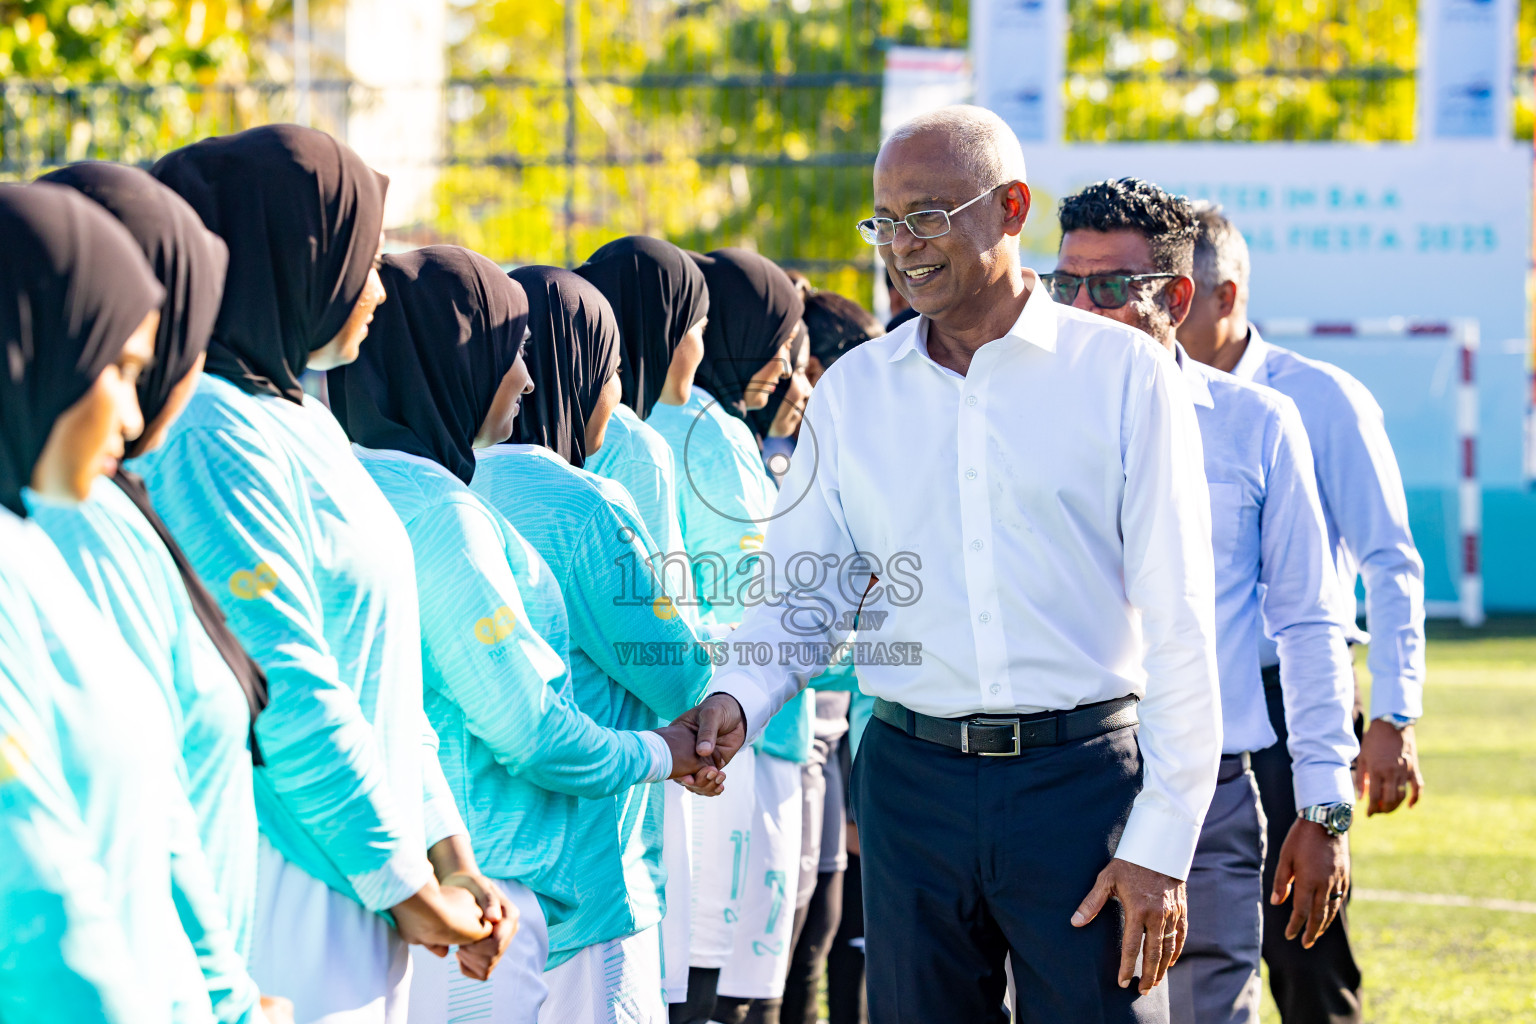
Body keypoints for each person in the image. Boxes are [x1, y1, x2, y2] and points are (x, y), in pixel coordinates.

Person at [674, 105, 1224, 1024]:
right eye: (883, 220)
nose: (902, 244)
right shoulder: (855, 394)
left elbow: (1181, 624)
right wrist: (732, 698)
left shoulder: (1124, 375)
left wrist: (1161, 842)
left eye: (927, 214)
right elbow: (799, 602)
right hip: (909, 790)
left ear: (1011, 209)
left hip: (1083, 792)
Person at [138, 125, 504, 1023]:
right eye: (362, 258)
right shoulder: (213, 434)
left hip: (372, 880)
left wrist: (448, 854)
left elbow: (383, 670)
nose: (377, 289)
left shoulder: (302, 419)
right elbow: (287, 681)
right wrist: (409, 888)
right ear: (291, 262)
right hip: (292, 880)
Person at [327, 245, 723, 1023]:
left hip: (412, 872)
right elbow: (546, 721)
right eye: (513, 356)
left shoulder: (353, 477)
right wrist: (664, 750)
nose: (530, 379)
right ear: (461, 362)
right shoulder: (487, 509)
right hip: (522, 883)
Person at [1051, 178, 1359, 1024]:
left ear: (1176, 297)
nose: (1079, 306)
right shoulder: (1012, 420)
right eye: (1064, 284)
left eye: (1109, 287)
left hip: (1214, 795)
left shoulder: (1257, 423)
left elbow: (1309, 622)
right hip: (1058, 789)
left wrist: (1324, 806)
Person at [32, 161, 286, 1024]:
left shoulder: (57, 535)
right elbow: (44, 886)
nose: (136, 413)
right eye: (119, 364)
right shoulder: (67, 533)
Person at [1178, 202, 1428, 1024]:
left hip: (1291, 703)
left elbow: (1391, 561)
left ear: (1228, 296)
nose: (1162, 320)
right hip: (1181, 707)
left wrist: (1393, 716)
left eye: (1182, 298)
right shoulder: (1134, 398)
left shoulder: (1319, 400)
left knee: (1307, 944)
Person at [469, 265, 715, 1024]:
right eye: (609, 370)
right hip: (589, 873)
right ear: (574, 374)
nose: (616, 390)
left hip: (475, 870)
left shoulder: (448, 483)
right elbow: (678, 672)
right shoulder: (582, 504)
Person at [648, 248, 807, 1024]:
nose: (783, 366)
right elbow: (758, 602)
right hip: (730, 734)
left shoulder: (648, 417)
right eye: (776, 341)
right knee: (720, 987)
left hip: (674, 734)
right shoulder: (708, 435)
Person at [572, 235, 714, 1008]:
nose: (700, 344)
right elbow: (659, 626)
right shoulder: (634, 443)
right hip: (639, 745)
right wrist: (699, 726)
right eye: (696, 322)